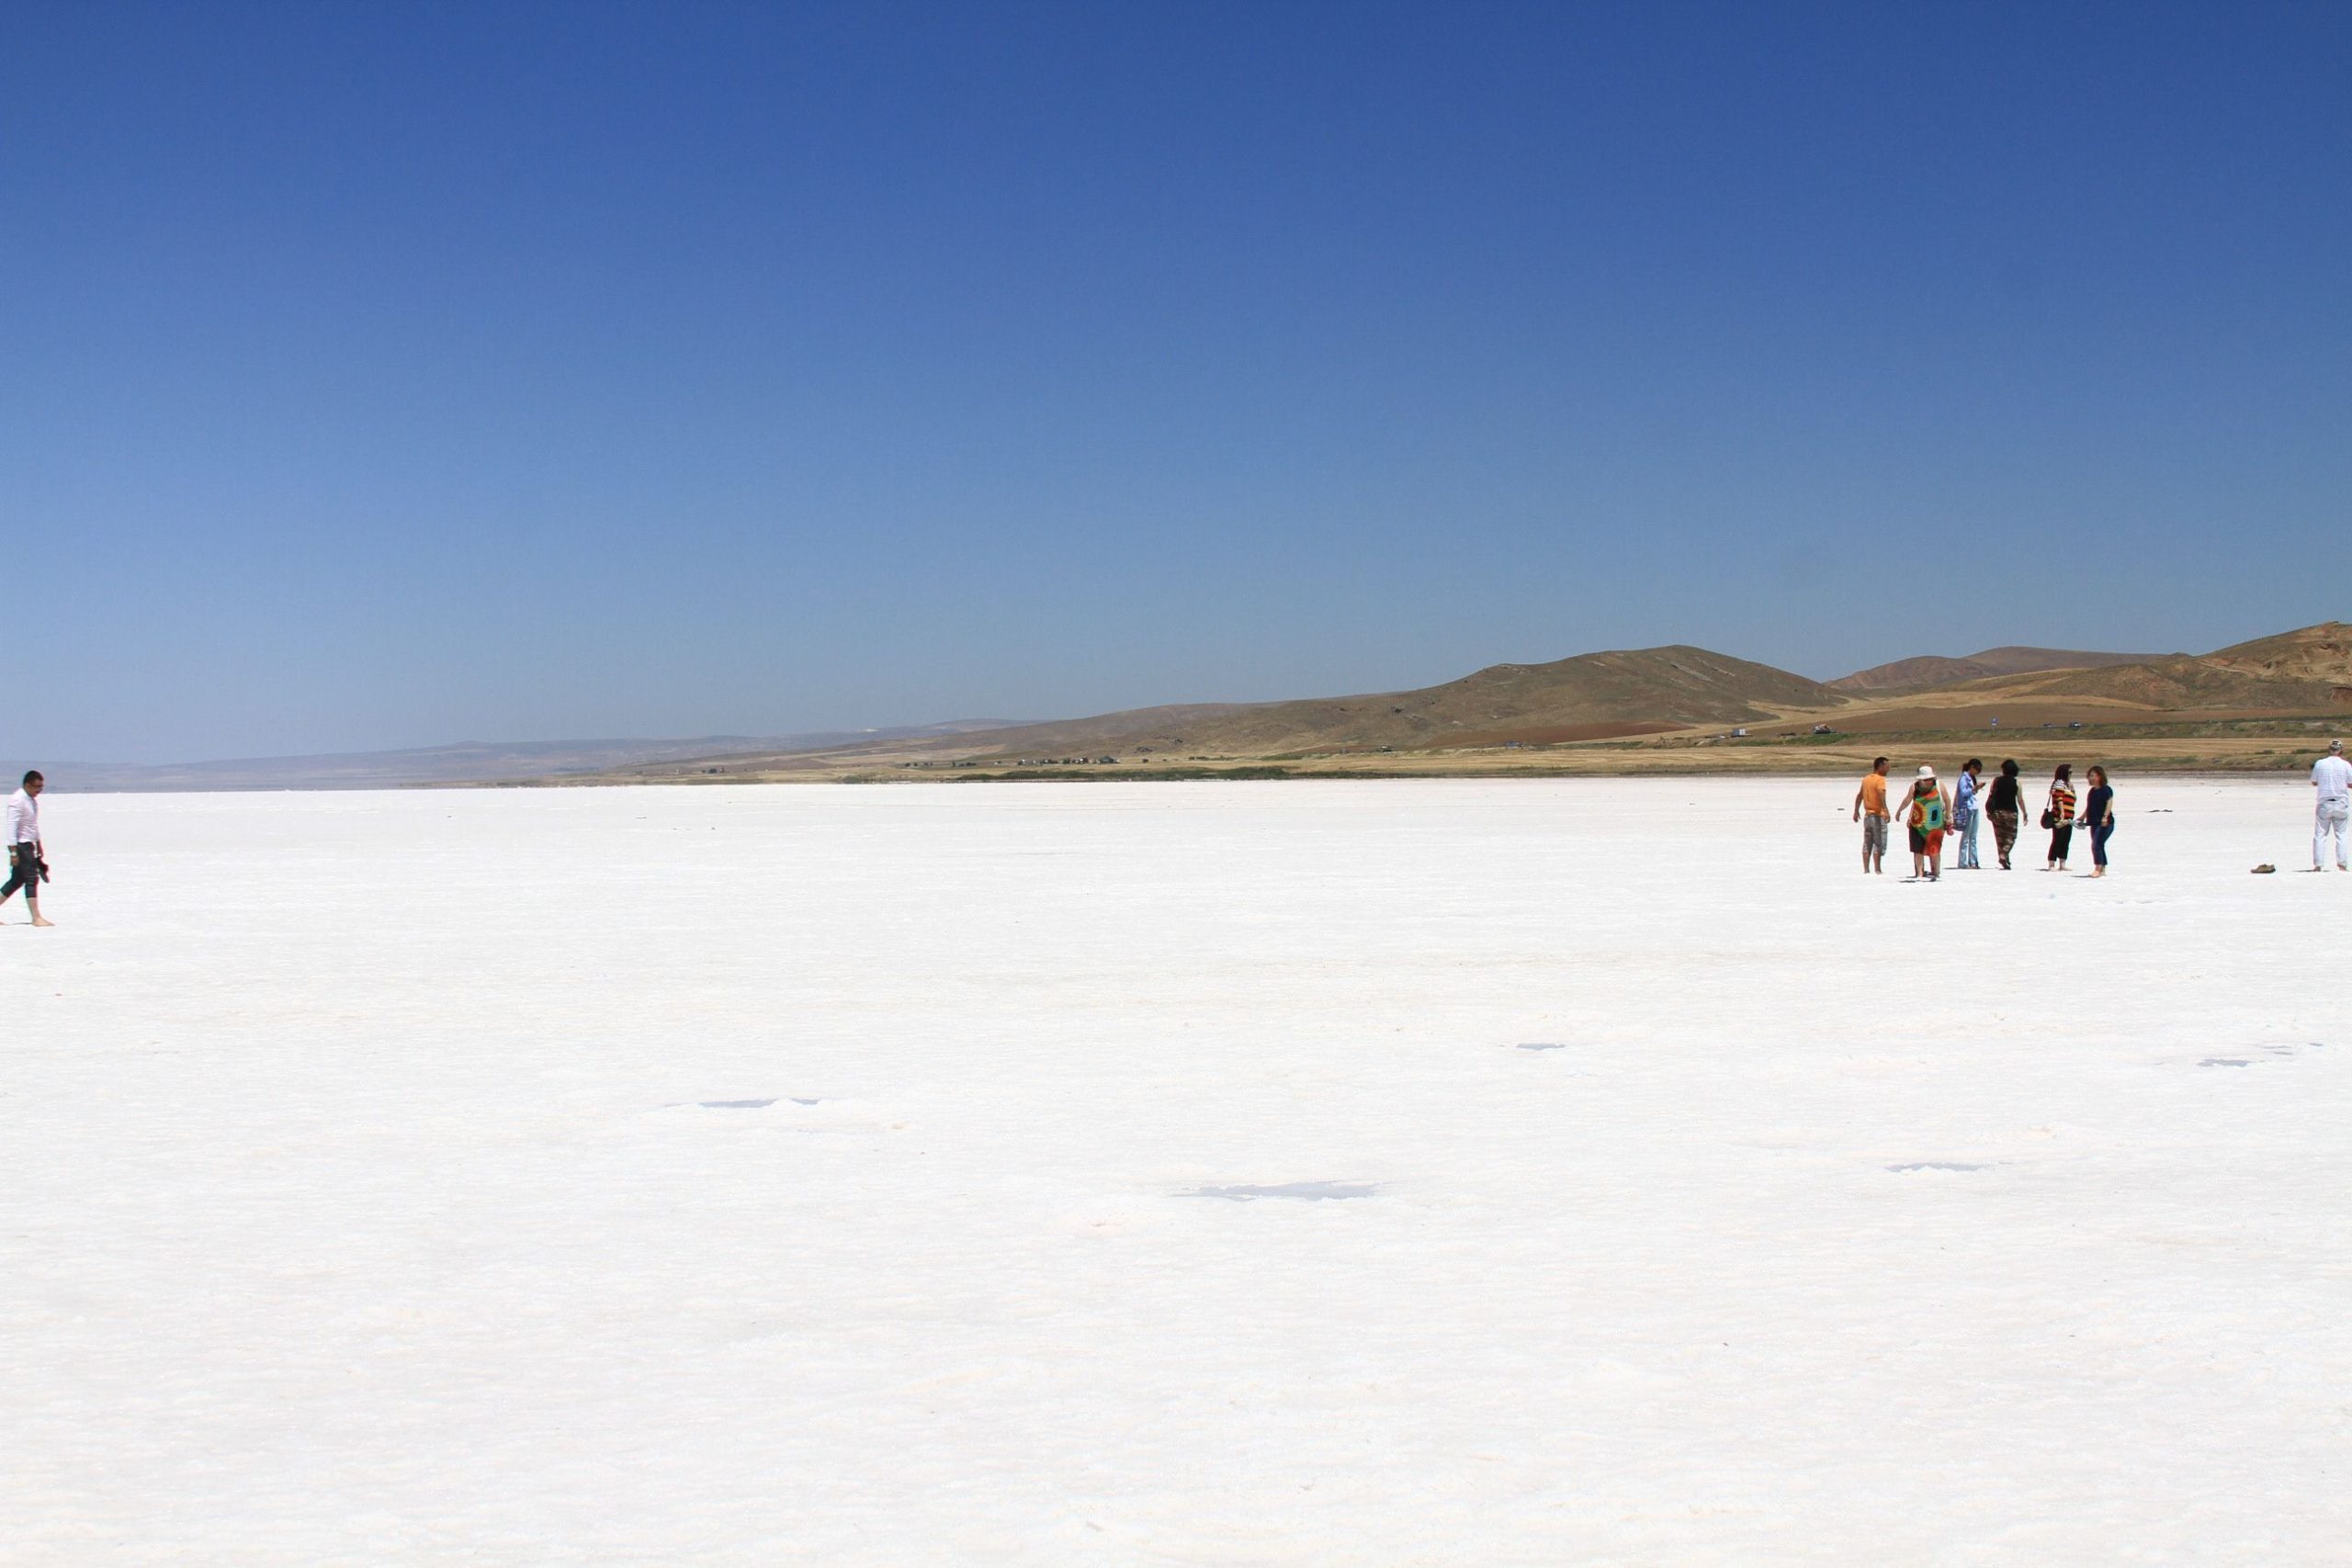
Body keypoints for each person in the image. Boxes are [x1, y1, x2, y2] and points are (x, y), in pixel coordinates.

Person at [0, 770, 52, 925]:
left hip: (29, 844)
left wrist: (38, 843)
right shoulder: (18, 800)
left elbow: (31, 825)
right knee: (31, 878)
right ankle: (36, 917)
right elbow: (12, 826)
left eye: (41, 788)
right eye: (37, 787)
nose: (39, 791)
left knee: (16, 880)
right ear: (27, 785)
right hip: (21, 845)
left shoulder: (31, 800)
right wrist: (13, 851)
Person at [1900, 764, 1952, 881]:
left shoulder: (1939, 785)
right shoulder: (1914, 787)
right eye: (1925, 780)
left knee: (1934, 850)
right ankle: (1919, 873)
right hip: (1917, 824)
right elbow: (1910, 801)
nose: (1928, 782)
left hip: (1935, 825)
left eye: (1930, 779)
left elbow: (1947, 800)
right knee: (1918, 850)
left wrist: (1948, 816)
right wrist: (1900, 811)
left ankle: (1936, 872)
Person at [2312, 739, 2351, 872]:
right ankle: (2342, 864)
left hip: (2324, 803)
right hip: (2341, 803)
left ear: (2329, 749)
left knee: (2320, 834)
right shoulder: (2346, 765)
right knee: (2341, 834)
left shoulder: (2320, 763)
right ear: (2341, 750)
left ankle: (2318, 865)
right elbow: (2350, 783)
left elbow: (2314, 781)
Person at [1851, 756, 1892, 874]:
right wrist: (1885, 810)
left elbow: (1860, 795)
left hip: (1867, 816)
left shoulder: (1866, 779)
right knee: (1878, 842)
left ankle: (1866, 869)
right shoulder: (1880, 780)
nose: (1888, 769)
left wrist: (1856, 810)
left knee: (1867, 842)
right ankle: (1877, 869)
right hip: (1877, 815)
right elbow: (1881, 794)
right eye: (1887, 766)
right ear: (1880, 766)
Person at [1984, 759, 2023, 870]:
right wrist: (2025, 813)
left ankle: (2005, 860)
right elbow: (2020, 800)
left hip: (1997, 812)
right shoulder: (2016, 782)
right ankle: (2003, 855)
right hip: (2011, 812)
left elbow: (1991, 795)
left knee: (2000, 838)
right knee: (2011, 836)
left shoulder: (1996, 780)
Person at [2082, 765, 2116, 877]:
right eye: (2089, 776)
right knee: (2099, 845)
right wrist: (2082, 817)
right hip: (2094, 823)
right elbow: (2089, 807)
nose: (2090, 778)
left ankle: (2098, 868)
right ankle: (2102, 869)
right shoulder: (2092, 791)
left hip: (2105, 823)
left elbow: (2109, 803)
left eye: (2092, 775)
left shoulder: (2106, 789)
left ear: (2099, 776)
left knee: (2096, 845)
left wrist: (2105, 817)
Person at [2043, 763, 2077, 872]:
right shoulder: (2059, 783)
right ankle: (2051, 863)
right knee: (2057, 839)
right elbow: (2059, 798)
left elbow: (2074, 799)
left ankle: (2062, 863)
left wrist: (2073, 789)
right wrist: (2062, 811)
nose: (2071, 774)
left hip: (2069, 817)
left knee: (2066, 840)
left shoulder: (2068, 784)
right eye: (2069, 772)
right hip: (2060, 817)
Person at [1952, 758, 1984, 869]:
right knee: (1966, 836)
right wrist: (1974, 788)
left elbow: (1972, 793)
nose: (1978, 772)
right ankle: (1962, 862)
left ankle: (1973, 861)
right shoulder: (1963, 778)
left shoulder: (1971, 778)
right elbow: (1963, 793)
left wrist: (1976, 788)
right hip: (1967, 808)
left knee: (1973, 836)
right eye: (1977, 770)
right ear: (1972, 768)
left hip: (1974, 807)